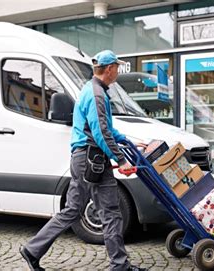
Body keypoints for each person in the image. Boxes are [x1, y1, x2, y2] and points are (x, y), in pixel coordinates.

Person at [19, 50, 146, 271]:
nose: (117, 71)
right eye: (116, 67)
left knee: (73, 210)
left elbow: (105, 129)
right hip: (93, 159)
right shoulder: (97, 94)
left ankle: (32, 249)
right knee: (110, 212)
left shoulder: (92, 90)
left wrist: (127, 140)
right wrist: (121, 159)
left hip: (83, 158)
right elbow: (100, 133)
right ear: (109, 69)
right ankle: (119, 265)